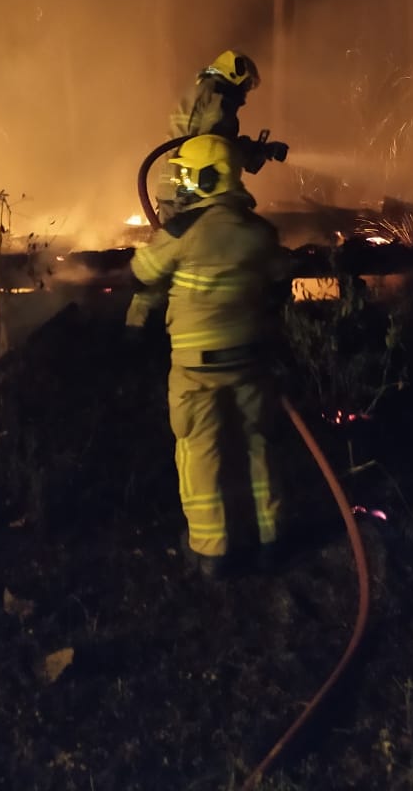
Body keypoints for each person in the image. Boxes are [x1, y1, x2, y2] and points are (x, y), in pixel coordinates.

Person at [126, 133, 290, 578]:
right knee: (257, 446)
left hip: (196, 367)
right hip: (251, 361)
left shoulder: (182, 231)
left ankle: (212, 549)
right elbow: (280, 280)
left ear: (208, 177)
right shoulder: (260, 232)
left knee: (200, 452)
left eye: (186, 175)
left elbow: (142, 272)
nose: (181, 183)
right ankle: (270, 538)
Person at [156, 50, 288, 223]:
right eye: (246, 85)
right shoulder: (219, 96)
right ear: (235, 73)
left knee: (176, 244)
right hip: (191, 193)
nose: (245, 92)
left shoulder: (200, 91)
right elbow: (217, 149)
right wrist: (261, 150)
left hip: (173, 188)